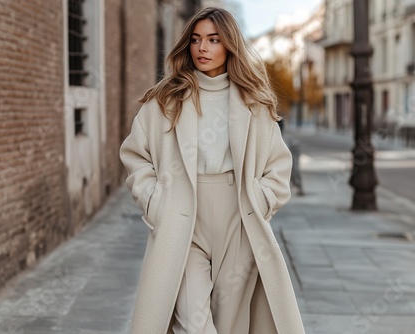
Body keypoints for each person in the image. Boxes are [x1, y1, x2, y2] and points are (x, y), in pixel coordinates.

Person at [119, 7, 305, 334]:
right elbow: (136, 155)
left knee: (231, 322)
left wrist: (259, 201)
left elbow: (279, 166)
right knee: (194, 320)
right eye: (196, 40)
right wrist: (154, 200)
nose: (202, 48)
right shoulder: (165, 99)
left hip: (238, 217)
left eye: (213, 40)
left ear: (229, 45)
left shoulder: (253, 102)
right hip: (182, 216)